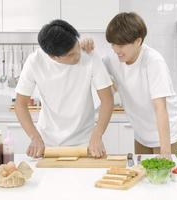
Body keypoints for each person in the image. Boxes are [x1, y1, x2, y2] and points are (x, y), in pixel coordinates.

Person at [81, 12, 177, 158]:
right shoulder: (113, 59)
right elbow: (96, 75)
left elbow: (161, 108)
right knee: (142, 176)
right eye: (113, 44)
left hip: (166, 136)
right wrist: (87, 48)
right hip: (141, 134)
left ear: (138, 41)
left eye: (121, 45)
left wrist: (165, 151)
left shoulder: (153, 62)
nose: (116, 49)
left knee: (165, 176)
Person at [15, 19, 113, 158]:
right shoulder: (35, 62)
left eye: (77, 47)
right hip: (48, 144)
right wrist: (35, 137)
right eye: (70, 55)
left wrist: (97, 134)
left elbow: (107, 100)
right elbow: (20, 104)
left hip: (86, 143)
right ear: (53, 57)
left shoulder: (89, 56)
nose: (78, 55)